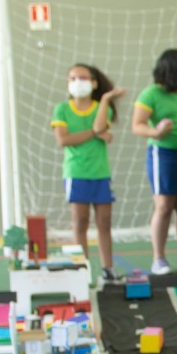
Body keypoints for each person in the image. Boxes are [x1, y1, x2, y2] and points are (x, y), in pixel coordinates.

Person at [51, 64, 126, 283]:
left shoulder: (103, 106)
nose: (77, 82)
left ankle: (108, 269)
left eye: (82, 77)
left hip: (100, 173)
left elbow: (100, 124)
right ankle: (81, 269)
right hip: (76, 172)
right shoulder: (62, 109)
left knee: (104, 222)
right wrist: (94, 133)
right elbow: (63, 140)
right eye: (72, 78)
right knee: (80, 222)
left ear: (94, 83)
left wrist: (104, 101)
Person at [133, 48, 177, 275]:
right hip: (163, 155)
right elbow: (137, 124)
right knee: (164, 206)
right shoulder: (151, 93)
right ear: (173, 68)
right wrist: (156, 131)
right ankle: (158, 258)